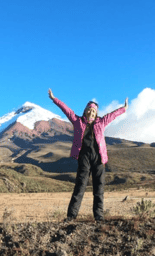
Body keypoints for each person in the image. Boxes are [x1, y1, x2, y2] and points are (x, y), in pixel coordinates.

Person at [48, 88, 128, 222]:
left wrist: (124, 108)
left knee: (99, 188)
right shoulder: (77, 121)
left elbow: (113, 115)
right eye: (89, 110)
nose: (91, 112)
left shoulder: (101, 122)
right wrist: (54, 99)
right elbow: (67, 110)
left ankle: (99, 217)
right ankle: (71, 217)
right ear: (85, 111)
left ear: (96, 113)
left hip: (99, 159)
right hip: (84, 157)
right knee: (80, 186)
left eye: (94, 111)